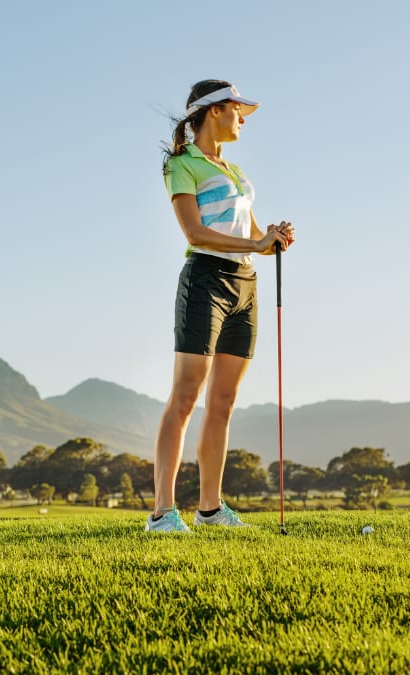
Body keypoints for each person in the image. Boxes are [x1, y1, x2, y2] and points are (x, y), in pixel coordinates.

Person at [147, 79, 295, 533]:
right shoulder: (182, 164)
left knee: (225, 400)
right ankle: (162, 514)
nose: (242, 118)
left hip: (244, 284)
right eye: (237, 109)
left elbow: (251, 236)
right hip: (206, 280)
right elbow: (194, 232)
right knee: (187, 394)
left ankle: (210, 509)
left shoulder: (235, 171)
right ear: (214, 111)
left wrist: (272, 240)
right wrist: (254, 239)